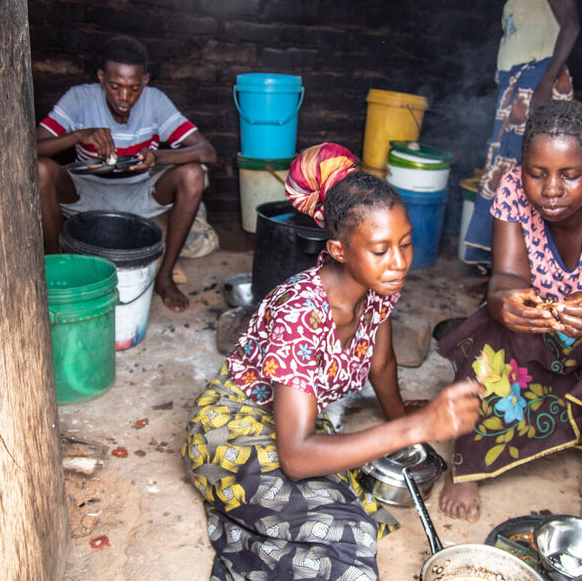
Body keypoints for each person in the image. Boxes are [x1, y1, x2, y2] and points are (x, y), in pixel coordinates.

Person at [184, 143, 483, 580]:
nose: (398, 263)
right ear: (339, 251)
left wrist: (405, 437)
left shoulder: (378, 288)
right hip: (230, 429)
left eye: (405, 243)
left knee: (354, 513)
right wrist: (415, 426)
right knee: (347, 532)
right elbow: (298, 457)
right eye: (380, 250)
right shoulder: (300, 313)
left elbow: (381, 365)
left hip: (291, 423)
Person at [439, 101, 582, 531]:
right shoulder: (511, 189)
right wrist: (505, 302)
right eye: (537, 173)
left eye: (569, 175)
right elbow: (505, 276)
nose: (551, 189)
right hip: (535, 329)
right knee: (487, 332)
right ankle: (465, 468)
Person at [37, 35, 216, 312]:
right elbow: (31, 148)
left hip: (139, 191)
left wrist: (158, 157)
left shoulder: (155, 101)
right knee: (40, 170)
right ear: (101, 77)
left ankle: (164, 277)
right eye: (115, 86)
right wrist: (79, 135)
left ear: (144, 80)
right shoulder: (79, 98)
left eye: (133, 88)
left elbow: (207, 152)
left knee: (194, 174)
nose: (124, 98)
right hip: (86, 190)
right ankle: (56, 269)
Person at [463, 0, 579, 269]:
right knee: (511, 174)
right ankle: (505, 267)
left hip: (534, 86)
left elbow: (572, 26)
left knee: (530, 173)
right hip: (518, 90)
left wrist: (545, 84)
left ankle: (530, 267)